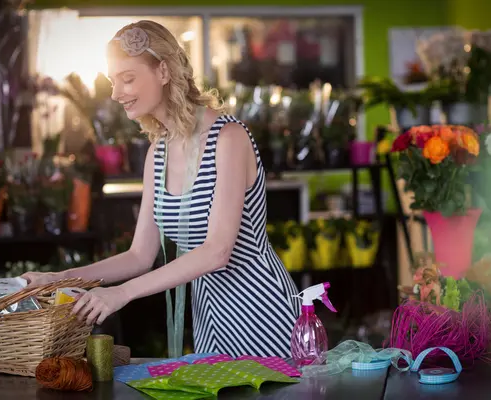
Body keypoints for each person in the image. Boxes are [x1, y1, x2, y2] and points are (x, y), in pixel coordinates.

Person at [22, 20, 300, 358]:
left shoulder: (229, 139)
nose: (115, 93)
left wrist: (121, 294)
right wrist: (61, 278)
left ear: (164, 71)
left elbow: (217, 252)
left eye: (128, 78)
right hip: (210, 318)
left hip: (262, 314)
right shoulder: (159, 153)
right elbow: (140, 256)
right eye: (113, 81)